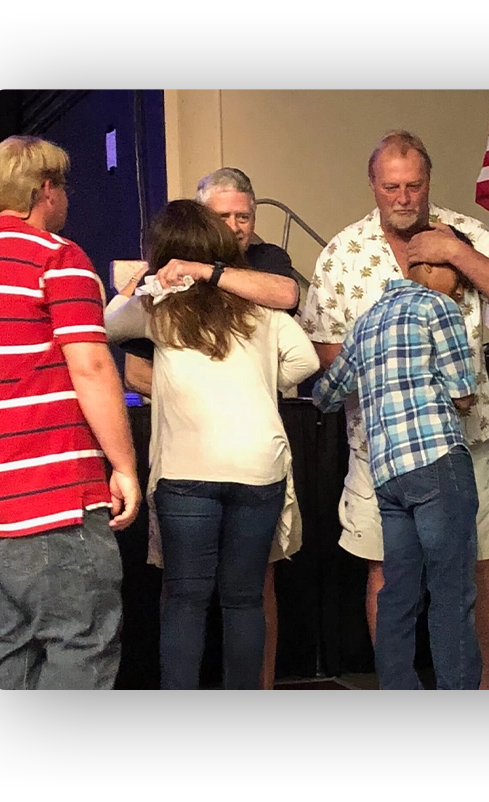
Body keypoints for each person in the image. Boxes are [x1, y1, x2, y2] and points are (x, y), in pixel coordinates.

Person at [299, 130, 489, 689]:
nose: (403, 197)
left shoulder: (468, 232)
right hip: (377, 448)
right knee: (388, 574)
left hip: (467, 441)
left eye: (414, 185)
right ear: (374, 186)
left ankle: (479, 685)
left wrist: (454, 251)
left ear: (428, 182)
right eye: (391, 187)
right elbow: (323, 352)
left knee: (476, 568)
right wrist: (396, 364)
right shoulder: (342, 253)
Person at [104, 199, 319, 690]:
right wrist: (262, 382)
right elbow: (305, 362)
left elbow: (109, 324)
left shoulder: (158, 309)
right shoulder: (259, 308)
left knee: (185, 598)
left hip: (188, 474)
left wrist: (141, 284)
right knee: (244, 598)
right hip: (258, 467)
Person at [0, 135, 141, 690]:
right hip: (53, 497)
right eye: (64, 186)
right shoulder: (58, 257)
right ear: (46, 189)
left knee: (5, 650)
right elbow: (93, 369)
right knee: (82, 642)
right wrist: (123, 466)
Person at [312, 248, 482, 690]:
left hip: (388, 476)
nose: (461, 284)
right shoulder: (437, 306)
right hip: (437, 461)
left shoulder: (365, 324)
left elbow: (326, 396)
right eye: (454, 272)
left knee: (397, 595)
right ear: (426, 268)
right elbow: (463, 392)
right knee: (452, 593)